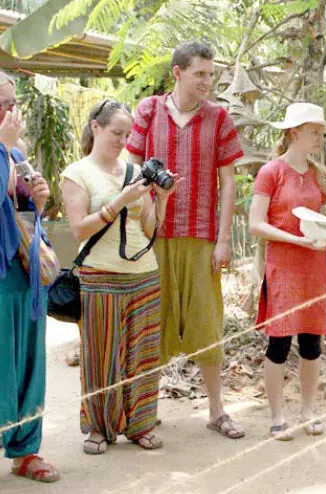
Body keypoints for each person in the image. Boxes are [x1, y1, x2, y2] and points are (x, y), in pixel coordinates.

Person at [126, 41, 245, 439]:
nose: (207, 82)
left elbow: (228, 183)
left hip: (201, 236)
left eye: (211, 75)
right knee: (151, 322)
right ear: (177, 73)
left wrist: (224, 239)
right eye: (200, 74)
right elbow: (130, 170)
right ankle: (145, 412)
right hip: (151, 236)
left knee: (207, 323)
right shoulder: (147, 111)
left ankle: (216, 410)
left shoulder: (220, 117)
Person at [61, 100, 182, 454]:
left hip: (144, 274)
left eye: (127, 134)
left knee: (143, 354)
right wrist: (119, 201)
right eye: (116, 133)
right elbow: (79, 229)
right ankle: (99, 428)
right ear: (96, 128)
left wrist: (160, 200)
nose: (122, 140)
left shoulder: (135, 171)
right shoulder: (77, 173)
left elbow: (146, 227)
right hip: (100, 276)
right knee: (101, 354)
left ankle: (140, 425)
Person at [249, 103, 326, 440]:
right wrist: (296, 240)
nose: (318, 138)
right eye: (314, 132)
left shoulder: (318, 174)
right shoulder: (271, 172)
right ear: (293, 132)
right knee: (279, 344)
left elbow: (322, 218)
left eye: (320, 133)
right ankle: (277, 416)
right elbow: (256, 224)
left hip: (315, 267)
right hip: (283, 267)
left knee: (313, 343)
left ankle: (308, 410)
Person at [0, 72, 60, 482]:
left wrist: (37, 198)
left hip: (22, 272)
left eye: (13, 103)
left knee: (27, 361)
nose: (11, 113)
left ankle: (26, 451)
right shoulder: (7, 146)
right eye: (3, 104)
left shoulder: (15, 149)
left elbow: (23, 209)